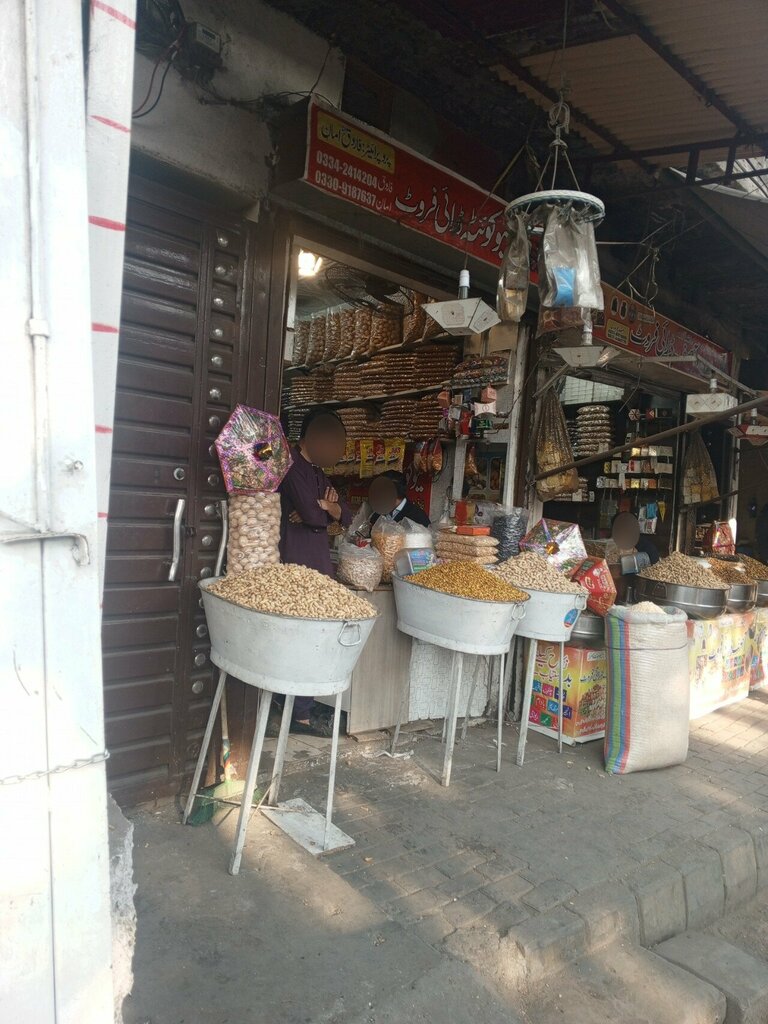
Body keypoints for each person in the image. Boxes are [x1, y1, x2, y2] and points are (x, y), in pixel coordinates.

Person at [277, 407, 352, 734]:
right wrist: (322, 510)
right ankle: (299, 713)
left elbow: (346, 515)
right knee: (302, 636)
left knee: (312, 636)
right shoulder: (292, 466)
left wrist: (330, 508)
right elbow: (310, 514)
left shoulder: (318, 472)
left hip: (317, 565)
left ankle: (297, 706)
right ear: (307, 437)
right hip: (297, 563)